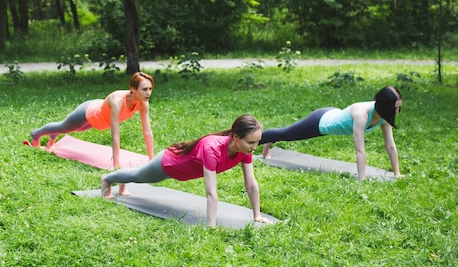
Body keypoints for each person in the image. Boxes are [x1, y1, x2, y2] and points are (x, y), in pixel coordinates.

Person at [101, 114, 271, 227]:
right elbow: (211, 192)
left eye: (257, 142)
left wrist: (257, 215)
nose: (254, 147)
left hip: (181, 171)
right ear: (236, 137)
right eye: (251, 143)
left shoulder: (243, 150)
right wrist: (211, 226)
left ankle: (123, 181)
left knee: (137, 175)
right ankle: (107, 179)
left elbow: (251, 184)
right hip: (168, 164)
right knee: (139, 176)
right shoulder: (212, 148)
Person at [260, 86, 404, 180]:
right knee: (286, 134)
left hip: (332, 114)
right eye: (395, 108)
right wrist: (362, 179)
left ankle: (269, 142)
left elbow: (390, 146)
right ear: (385, 106)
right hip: (320, 122)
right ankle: (257, 140)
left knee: (286, 133)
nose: (398, 112)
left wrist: (397, 173)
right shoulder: (362, 114)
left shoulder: (384, 118)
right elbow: (360, 150)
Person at [25, 72, 155, 170]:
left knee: (77, 129)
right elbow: (115, 135)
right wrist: (116, 166)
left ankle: (54, 135)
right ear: (133, 89)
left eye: (150, 89)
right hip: (88, 113)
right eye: (144, 89)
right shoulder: (117, 101)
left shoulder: (143, 103)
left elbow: (147, 132)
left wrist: (151, 159)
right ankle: (36, 134)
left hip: (99, 121)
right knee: (65, 127)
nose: (148, 93)